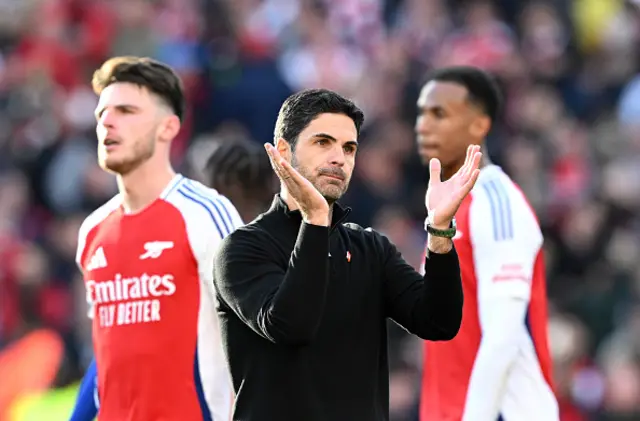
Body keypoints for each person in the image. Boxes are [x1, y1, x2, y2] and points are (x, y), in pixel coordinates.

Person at [212, 88, 483, 421]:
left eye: (349, 148)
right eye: (322, 143)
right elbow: (289, 326)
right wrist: (314, 220)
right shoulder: (241, 250)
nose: (339, 158)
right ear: (283, 151)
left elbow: (438, 322)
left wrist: (439, 232)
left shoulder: (369, 248)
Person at [70, 56, 242, 421]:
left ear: (168, 127)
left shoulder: (205, 214)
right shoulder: (93, 231)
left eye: (126, 110)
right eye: (102, 113)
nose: (107, 122)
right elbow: (109, 357)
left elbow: (258, 332)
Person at [415, 66, 558, 421]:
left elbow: (504, 337)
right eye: (421, 113)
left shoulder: (496, 202)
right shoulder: (445, 212)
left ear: (480, 125)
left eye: (439, 114)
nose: (423, 125)